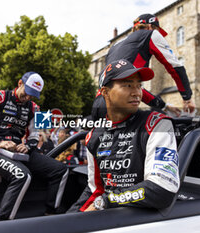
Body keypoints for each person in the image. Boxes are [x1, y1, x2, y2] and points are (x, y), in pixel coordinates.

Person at [68, 59, 179, 212]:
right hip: (106, 212)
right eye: (128, 85)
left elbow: (162, 189)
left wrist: (105, 202)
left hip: (137, 218)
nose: (137, 92)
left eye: (139, 85)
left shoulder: (156, 124)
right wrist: (72, 216)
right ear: (105, 92)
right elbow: (95, 189)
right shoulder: (94, 136)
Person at [0, 71, 69, 220]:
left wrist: (28, 146)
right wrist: (0, 142)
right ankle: (2, 224)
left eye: (33, 95)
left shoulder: (34, 107)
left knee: (61, 170)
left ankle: (51, 214)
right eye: (27, 92)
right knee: (22, 175)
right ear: (19, 83)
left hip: (19, 151)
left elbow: (34, 136)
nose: (28, 97)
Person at [92, 13, 195, 121]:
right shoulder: (150, 34)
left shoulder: (115, 45)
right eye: (157, 30)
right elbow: (174, 66)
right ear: (150, 27)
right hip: (122, 105)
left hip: (99, 105)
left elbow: (131, 87)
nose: (158, 33)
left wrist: (164, 106)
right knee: (162, 126)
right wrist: (187, 98)